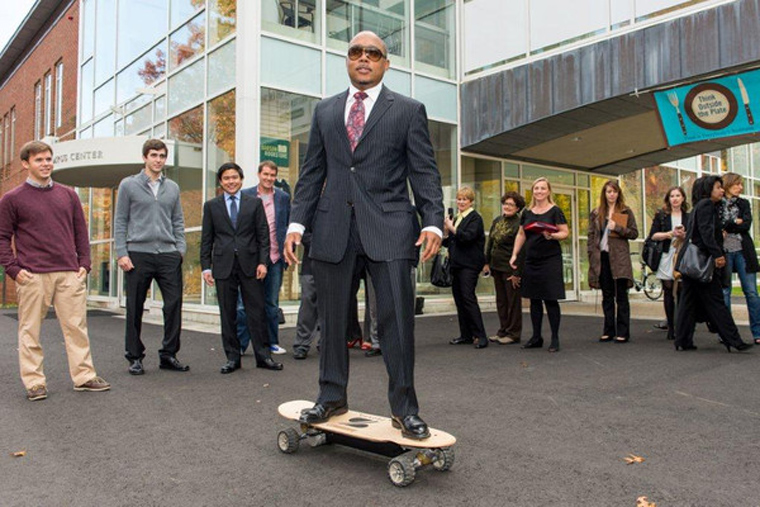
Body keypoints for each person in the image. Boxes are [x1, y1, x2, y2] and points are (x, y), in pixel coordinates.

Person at [283, 30, 444, 440]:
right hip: (333, 229)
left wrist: (432, 221)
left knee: (396, 324)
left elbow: (424, 171)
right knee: (333, 321)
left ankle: (405, 409)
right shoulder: (325, 111)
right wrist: (296, 223)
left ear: (385, 63)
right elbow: (311, 173)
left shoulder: (408, 110)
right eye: (356, 52)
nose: (364, 58)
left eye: (373, 53)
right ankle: (331, 395)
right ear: (348, 60)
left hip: (390, 229)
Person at [0, 141, 110, 400]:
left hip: (68, 273)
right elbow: (2, 237)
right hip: (32, 274)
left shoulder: (68, 194)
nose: (46, 163)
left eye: (49, 159)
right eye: (39, 160)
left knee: (76, 328)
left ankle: (84, 376)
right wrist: (14, 269)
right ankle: (34, 382)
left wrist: (84, 264)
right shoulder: (12, 199)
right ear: (26, 164)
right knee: (30, 330)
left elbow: (80, 232)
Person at [114, 139, 189, 375]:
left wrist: (180, 249)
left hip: (168, 254)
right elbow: (120, 221)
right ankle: (134, 357)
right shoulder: (129, 185)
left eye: (162, 156)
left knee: (174, 304)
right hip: (138, 254)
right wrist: (121, 252)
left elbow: (177, 220)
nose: (158, 160)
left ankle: (168, 354)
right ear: (145, 157)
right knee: (135, 307)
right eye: (154, 155)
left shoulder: (173, 188)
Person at [200, 163, 284, 373]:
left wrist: (263, 262)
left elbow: (263, 235)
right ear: (221, 182)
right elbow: (206, 240)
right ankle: (232, 358)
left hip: (251, 266)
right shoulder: (211, 206)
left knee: (257, 312)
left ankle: (263, 357)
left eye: (235, 177)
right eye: (227, 178)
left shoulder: (254, 203)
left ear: (241, 179)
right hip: (223, 266)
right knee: (228, 314)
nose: (231, 181)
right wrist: (205, 268)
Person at [674, 175, 751, 352]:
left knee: (688, 302)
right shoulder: (707, 205)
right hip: (702, 263)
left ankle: (682, 340)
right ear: (708, 189)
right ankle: (733, 340)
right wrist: (718, 255)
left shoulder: (697, 207)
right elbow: (706, 232)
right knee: (717, 302)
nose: (721, 190)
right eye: (718, 187)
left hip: (691, 264)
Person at [237, 160, 291, 356]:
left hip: (275, 258)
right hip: (252, 258)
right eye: (266, 174)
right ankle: (240, 345)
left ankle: (272, 343)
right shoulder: (246, 195)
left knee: (272, 304)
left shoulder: (283, 197)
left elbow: (286, 223)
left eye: (272, 175)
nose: (269, 178)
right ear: (259, 174)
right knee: (245, 304)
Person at [510, 177, 569, 352]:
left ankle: (555, 338)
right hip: (531, 259)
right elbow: (521, 234)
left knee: (550, 298)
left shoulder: (555, 211)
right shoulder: (527, 212)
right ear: (533, 191)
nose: (539, 191)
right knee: (534, 299)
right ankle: (536, 337)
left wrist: (553, 235)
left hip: (550, 259)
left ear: (549, 191)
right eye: (536, 188)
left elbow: (565, 232)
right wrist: (514, 254)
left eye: (543, 188)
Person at [587, 180, 639, 343]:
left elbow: (634, 233)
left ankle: (623, 331)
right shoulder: (596, 213)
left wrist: (617, 227)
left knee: (621, 296)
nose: (611, 194)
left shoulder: (625, 211)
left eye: (614, 191)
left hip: (619, 258)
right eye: (608, 191)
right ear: (604, 193)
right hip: (602, 257)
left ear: (618, 193)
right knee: (607, 295)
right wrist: (590, 253)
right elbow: (590, 235)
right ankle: (608, 330)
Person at [444, 186, 488, 349]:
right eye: (459, 199)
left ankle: (481, 335)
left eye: (464, 199)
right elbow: (448, 242)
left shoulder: (475, 218)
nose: (461, 202)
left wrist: (452, 228)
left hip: (469, 265)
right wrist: (446, 231)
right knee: (460, 299)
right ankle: (466, 334)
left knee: (468, 298)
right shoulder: (456, 217)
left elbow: (467, 237)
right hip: (457, 264)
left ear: (471, 201)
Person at [720, 172, 760, 345]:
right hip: (725, 252)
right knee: (725, 291)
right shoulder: (717, 205)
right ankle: (728, 334)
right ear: (728, 184)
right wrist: (734, 222)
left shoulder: (744, 203)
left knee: (751, 292)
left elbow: (746, 224)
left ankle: (757, 332)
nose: (740, 187)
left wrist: (731, 225)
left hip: (743, 251)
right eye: (737, 184)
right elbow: (718, 225)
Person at [648, 186, 690, 341]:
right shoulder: (662, 216)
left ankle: (681, 326)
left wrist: (684, 235)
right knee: (667, 290)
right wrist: (670, 234)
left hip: (682, 255)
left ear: (683, 198)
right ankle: (671, 326)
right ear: (668, 199)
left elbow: (694, 235)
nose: (675, 198)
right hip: (666, 255)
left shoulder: (688, 216)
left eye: (678, 195)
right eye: (672, 195)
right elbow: (653, 235)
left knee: (681, 290)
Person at [484, 191, 525, 345]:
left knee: (513, 302)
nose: (507, 207)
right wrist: (486, 262)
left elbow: (521, 250)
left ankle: (513, 334)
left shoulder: (519, 224)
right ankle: (503, 330)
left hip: (510, 269)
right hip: (496, 266)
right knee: (501, 301)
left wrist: (517, 272)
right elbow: (490, 242)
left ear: (517, 208)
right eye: (506, 203)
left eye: (511, 205)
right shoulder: (497, 220)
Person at [292, 231, 319, 360]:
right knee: (307, 305)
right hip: (310, 264)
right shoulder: (310, 210)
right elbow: (304, 234)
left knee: (331, 307)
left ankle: (326, 344)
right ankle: (301, 344)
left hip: (335, 265)